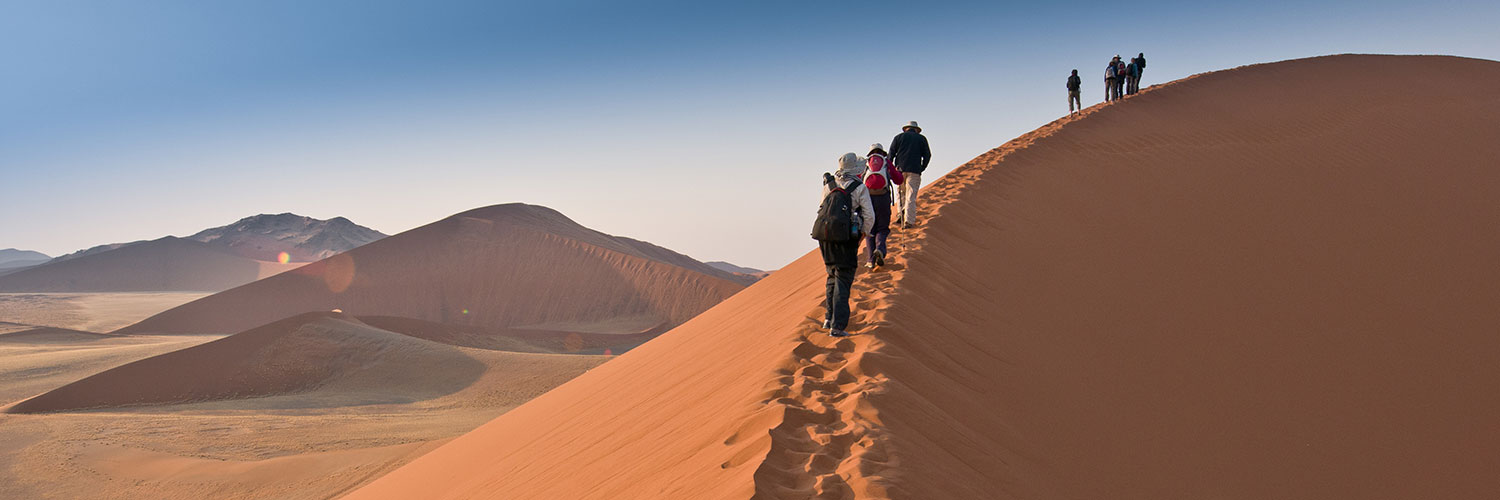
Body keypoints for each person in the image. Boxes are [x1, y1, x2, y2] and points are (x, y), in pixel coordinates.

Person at [818, 153, 875, 337]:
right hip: (846, 238)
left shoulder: (829, 184)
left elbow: (821, 208)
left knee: (831, 275)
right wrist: (862, 235)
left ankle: (828, 318)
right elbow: (869, 216)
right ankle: (838, 326)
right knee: (843, 278)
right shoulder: (859, 187)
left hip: (825, 237)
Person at [863, 143, 903, 269]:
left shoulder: (866, 163)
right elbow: (899, 180)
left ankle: (870, 260)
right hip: (883, 199)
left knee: (870, 230)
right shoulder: (886, 162)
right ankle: (880, 249)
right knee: (882, 228)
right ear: (882, 152)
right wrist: (898, 172)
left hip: (868, 200)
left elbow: (859, 179)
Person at [889, 121, 930, 228]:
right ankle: (909, 220)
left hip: (900, 170)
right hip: (915, 170)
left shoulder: (898, 137)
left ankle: (900, 214)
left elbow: (891, 154)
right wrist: (922, 167)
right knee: (911, 195)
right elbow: (927, 155)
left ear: (906, 129)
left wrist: (892, 168)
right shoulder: (921, 139)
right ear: (916, 129)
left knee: (901, 192)